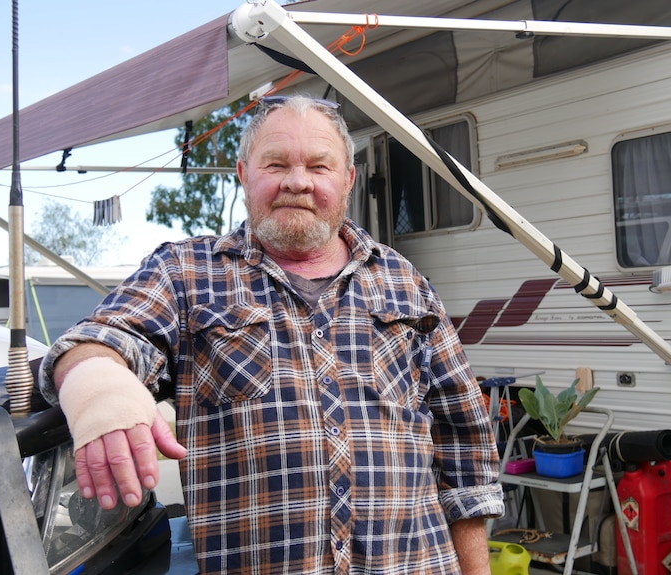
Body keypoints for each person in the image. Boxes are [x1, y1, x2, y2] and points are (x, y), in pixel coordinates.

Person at [39, 95, 504, 575]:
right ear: (243, 174)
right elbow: (101, 338)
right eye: (276, 163)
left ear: (347, 181)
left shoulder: (405, 281)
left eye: (319, 166)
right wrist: (98, 388)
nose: (297, 181)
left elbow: (464, 445)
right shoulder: (185, 272)